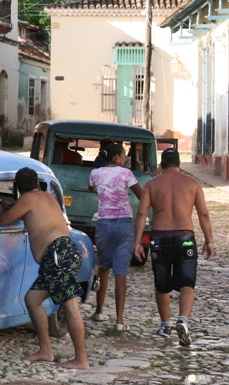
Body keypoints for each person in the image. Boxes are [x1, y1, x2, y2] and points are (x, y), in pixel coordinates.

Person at [0, 167, 88, 369]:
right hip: (62, 253)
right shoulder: (46, 197)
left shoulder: (27, 200)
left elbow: (3, 220)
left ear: (18, 188)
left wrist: (5, 206)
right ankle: (45, 351)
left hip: (57, 254)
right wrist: (14, 204)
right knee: (32, 299)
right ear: (37, 184)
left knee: (70, 305)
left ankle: (81, 360)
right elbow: (32, 210)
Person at [133, 148, 214, 347]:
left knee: (162, 283)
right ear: (179, 164)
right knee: (187, 283)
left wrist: (138, 242)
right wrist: (209, 240)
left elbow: (142, 214)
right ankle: (183, 320)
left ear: (161, 165)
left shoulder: (151, 185)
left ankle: (165, 325)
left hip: (159, 238)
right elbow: (203, 214)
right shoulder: (192, 184)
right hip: (185, 237)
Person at [88, 143, 142, 331]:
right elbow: (141, 194)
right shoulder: (126, 173)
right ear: (118, 157)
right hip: (124, 224)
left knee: (103, 268)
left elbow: (90, 187)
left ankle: (99, 311)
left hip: (103, 223)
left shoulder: (95, 173)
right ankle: (119, 321)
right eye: (124, 156)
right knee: (121, 272)